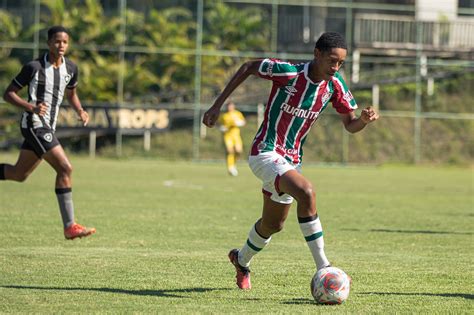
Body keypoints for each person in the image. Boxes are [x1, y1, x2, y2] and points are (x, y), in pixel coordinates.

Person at [202, 32, 379, 290]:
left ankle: (240, 260)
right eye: (332, 60)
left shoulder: (334, 86)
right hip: (265, 151)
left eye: (341, 63)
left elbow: (350, 125)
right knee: (306, 192)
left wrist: (362, 120)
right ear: (316, 54)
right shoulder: (289, 73)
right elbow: (248, 67)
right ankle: (325, 267)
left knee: (273, 225)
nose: (335, 67)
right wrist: (217, 105)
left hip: (291, 161)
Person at [0, 26, 96, 240]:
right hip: (34, 124)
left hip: (48, 126)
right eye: (57, 41)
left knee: (19, 174)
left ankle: (70, 226)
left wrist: (80, 110)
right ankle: (70, 226)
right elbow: (8, 94)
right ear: (48, 43)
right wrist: (30, 107)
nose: (61, 46)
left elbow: (72, 94)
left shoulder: (71, 68)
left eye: (65, 42)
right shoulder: (33, 67)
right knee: (65, 168)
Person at [218, 101, 246, 176]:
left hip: (236, 135)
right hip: (227, 136)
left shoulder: (237, 113)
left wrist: (239, 123)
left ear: (233, 106)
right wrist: (222, 128)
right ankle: (230, 167)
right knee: (230, 151)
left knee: (238, 151)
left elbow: (243, 122)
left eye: (231, 106)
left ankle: (233, 164)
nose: (229, 108)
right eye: (228, 106)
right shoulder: (224, 116)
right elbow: (219, 124)